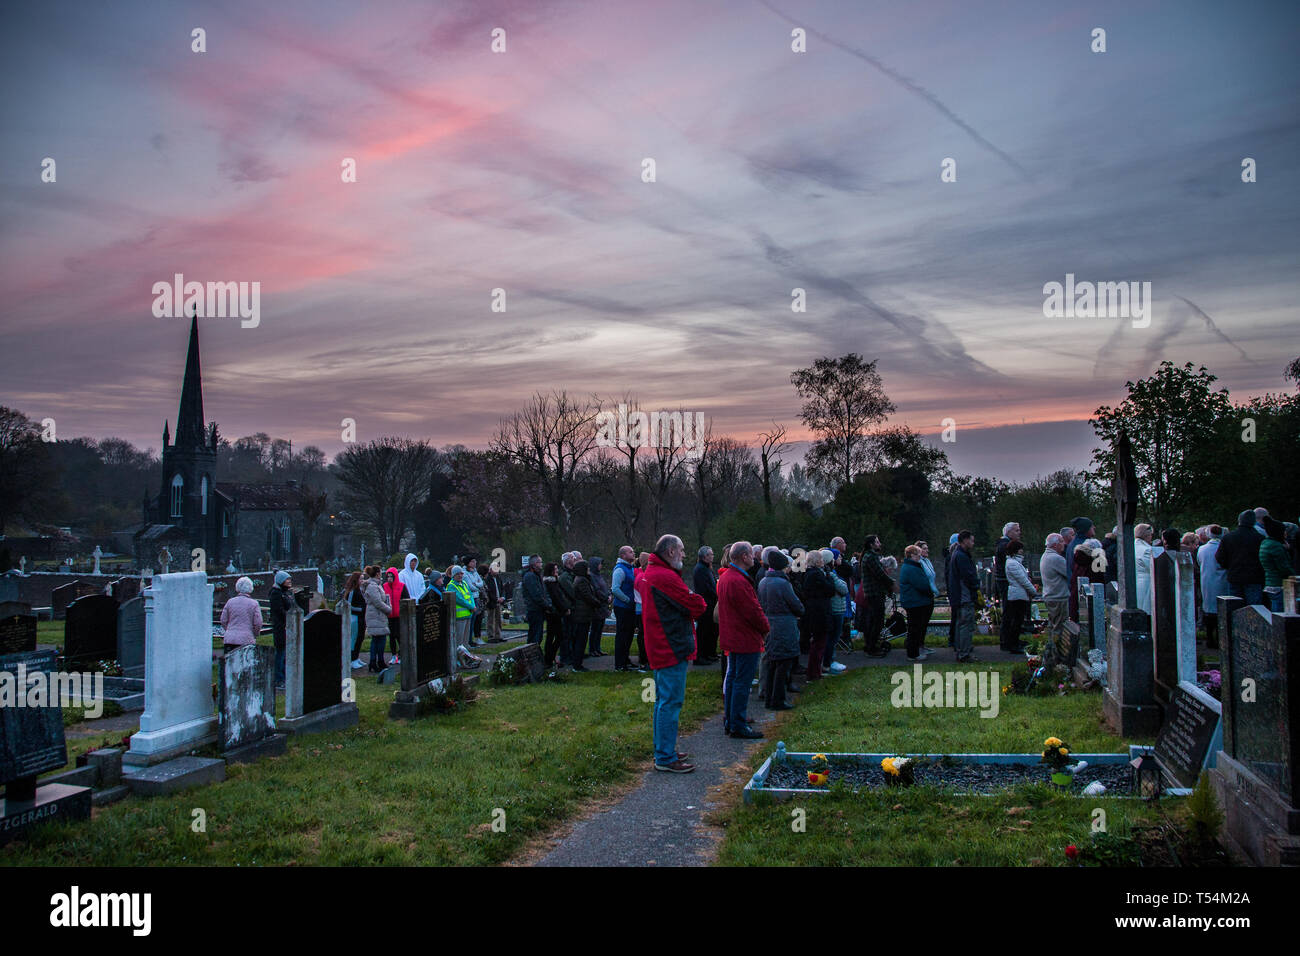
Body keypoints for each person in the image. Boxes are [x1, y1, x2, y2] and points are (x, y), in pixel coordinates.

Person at [637, 535, 707, 773]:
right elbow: (697, 605)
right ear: (670, 552)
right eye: (681, 550)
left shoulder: (651, 573)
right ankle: (665, 757)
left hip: (661, 644)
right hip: (670, 645)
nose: (684, 555)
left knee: (662, 702)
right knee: (670, 702)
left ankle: (663, 749)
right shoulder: (665, 577)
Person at [717, 541, 768, 738]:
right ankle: (737, 723)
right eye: (751, 555)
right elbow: (753, 611)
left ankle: (731, 720)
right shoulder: (738, 580)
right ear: (744, 557)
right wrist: (765, 627)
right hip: (744, 638)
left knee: (732, 679)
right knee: (741, 682)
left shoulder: (726, 577)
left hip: (733, 635)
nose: (754, 559)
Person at [759, 548, 803, 710]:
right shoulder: (783, 584)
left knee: (772, 663)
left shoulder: (763, 582)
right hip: (784, 626)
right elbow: (796, 605)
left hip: (769, 626)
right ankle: (778, 699)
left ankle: (769, 698)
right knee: (783, 664)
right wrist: (800, 611)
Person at [1216, 510, 1265, 607]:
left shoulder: (1228, 537)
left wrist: (1229, 566)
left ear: (1239, 521)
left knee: (1234, 607)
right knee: (1254, 609)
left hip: (1234, 576)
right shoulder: (1259, 538)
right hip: (1254, 578)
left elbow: (1219, 556)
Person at [856, 534, 894, 656]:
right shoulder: (871, 557)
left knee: (873, 620)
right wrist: (891, 583)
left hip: (873, 592)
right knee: (877, 621)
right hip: (874, 592)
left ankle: (870, 645)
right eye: (877, 542)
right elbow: (880, 574)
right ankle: (872, 647)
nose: (879, 544)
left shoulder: (868, 556)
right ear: (871, 545)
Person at [947, 531, 980, 663]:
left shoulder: (957, 554)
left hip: (960, 595)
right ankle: (964, 654)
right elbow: (968, 576)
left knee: (961, 625)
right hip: (964, 596)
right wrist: (976, 585)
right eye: (971, 540)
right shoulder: (961, 556)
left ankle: (961, 651)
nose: (973, 543)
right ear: (964, 540)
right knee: (966, 625)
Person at [801, 549, 834, 679]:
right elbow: (830, 590)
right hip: (820, 611)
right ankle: (814, 672)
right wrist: (829, 577)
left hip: (813, 610)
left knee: (817, 642)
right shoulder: (817, 575)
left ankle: (815, 671)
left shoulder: (807, 574)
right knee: (819, 643)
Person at [898, 545, 935, 661]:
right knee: (914, 628)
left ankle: (914, 651)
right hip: (915, 602)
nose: (920, 557)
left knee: (915, 628)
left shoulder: (910, 566)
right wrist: (930, 592)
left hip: (914, 601)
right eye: (918, 555)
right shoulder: (912, 568)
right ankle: (913, 654)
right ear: (912, 555)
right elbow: (921, 585)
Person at [1002, 540, 1037, 653]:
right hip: (1018, 595)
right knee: (1016, 621)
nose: (1022, 551)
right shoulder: (1012, 563)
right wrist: (1033, 591)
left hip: (1019, 594)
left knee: (1018, 620)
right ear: (1016, 550)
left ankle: (1015, 641)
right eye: (1021, 548)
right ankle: (1013, 644)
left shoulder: (1014, 562)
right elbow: (1023, 581)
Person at [610, 546, 641, 671]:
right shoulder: (620, 570)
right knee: (622, 635)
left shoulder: (630, 568)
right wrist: (628, 600)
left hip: (629, 607)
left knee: (628, 635)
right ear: (623, 555)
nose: (633, 553)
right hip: (623, 607)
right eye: (630, 552)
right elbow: (615, 589)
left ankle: (626, 660)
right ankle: (619, 664)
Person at [1040, 534, 1070, 661]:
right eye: (1062, 542)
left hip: (1051, 596)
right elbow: (1069, 573)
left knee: (1053, 627)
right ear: (1055, 545)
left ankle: (1051, 654)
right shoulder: (1055, 558)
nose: (1064, 544)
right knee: (1059, 628)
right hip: (1058, 597)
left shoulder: (1046, 556)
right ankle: (1056, 657)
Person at [220, 576, 263, 656]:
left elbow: (223, 620)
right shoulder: (254, 604)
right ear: (251, 588)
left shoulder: (230, 602)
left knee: (229, 664)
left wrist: (229, 630)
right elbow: (258, 623)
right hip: (246, 639)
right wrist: (254, 634)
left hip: (230, 639)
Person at [362, 565, 392, 673]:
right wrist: (388, 609)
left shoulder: (375, 585)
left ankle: (376, 661)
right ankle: (376, 661)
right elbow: (377, 602)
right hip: (376, 615)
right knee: (379, 639)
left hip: (377, 615)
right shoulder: (373, 586)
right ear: (378, 573)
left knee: (377, 639)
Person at [693, 547, 719, 666]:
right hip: (705, 605)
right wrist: (717, 594)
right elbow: (706, 589)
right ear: (704, 556)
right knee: (703, 632)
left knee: (710, 631)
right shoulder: (700, 569)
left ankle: (708, 653)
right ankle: (699, 656)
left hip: (710, 604)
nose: (713, 556)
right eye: (710, 554)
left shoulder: (706, 568)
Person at [268, 570, 294, 686]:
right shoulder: (276, 593)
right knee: (280, 652)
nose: (289, 581)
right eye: (287, 579)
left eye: (289, 579)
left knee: (284, 653)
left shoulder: (285, 593)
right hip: (280, 627)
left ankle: (283, 675)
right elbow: (279, 610)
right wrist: (289, 617)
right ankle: (279, 678)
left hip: (286, 626)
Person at [1260, 516, 1292, 611]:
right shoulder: (1276, 546)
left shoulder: (1266, 543)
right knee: (1279, 611)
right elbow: (1283, 567)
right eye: (1284, 531)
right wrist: (1294, 575)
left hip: (1270, 582)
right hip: (1278, 583)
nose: (1285, 533)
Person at [542, 561, 570, 667]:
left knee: (552, 636)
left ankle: (550, 658)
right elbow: (556, 598)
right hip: (554, 613)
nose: (557, 570)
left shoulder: (553, 582)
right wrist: (565, 609)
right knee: (557, 636)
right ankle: (549, 658)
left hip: (554, 612)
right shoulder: (550, 583)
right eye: (555, 569)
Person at [825, 550, 849, 672]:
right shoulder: (831, 574)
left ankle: (829, 660)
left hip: (835, 607)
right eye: (837, 557)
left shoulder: (831, 574)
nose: (839, 559)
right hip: (836, 608)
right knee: (833, 637)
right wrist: (843, 583)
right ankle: (829, 661)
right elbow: (844, 589)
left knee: (832, 637)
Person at [520, 554, 551, 645]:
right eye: (540, 562)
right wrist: (547, 605)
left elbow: (543, 592)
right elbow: (536, 594)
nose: (541, 564)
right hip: (534, 609)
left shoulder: (536, 575)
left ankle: (534, 655)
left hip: (539, 609)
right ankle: (531, 656)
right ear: (535, 563)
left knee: (538, 635)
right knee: (535, 636)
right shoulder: (530, 576)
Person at [586, 556, 611, 656]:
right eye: (599, 564)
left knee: (600, 628)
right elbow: (597, 590)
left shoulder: (599, 575)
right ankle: (593, 649)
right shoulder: (592, 576)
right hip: (597, 606)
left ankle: (598, 648)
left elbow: (604, 587)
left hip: (603, 606)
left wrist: (609, 594)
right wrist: (606, 597)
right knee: (595, 629)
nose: (601, 566)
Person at [382, 567, 406, 663]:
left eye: (391, 576)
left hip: (399, 615)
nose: (389, 578)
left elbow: (406, 599)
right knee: (391, 636)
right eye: (388, 576)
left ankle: (400, 655)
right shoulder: (384, 586)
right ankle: (393, 655)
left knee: (400, 636)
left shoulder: (401, 586)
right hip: (389, 615)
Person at [343, 571, 366, 668]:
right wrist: (360, 609)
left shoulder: (360, 590)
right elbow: (348, 605)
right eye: (361, 579)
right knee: (354, 639)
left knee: (360, 638)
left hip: (361, 618)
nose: (362, 580)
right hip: (355, 618)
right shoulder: (352, 591)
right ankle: (352, 659)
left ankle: (356, 657)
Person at [447, 565, 475, 648]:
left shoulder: (464, 583)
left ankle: (466, 657)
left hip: (468, 614)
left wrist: (473, 605)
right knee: (459, 640)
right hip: (460, 616)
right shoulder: (451, 585)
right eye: (458, 574)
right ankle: (459, 659)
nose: (460, 576)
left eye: (461, 574)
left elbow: (470, 595)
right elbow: (459, 599)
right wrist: (471, 606)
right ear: (453, 575)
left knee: (465, 640)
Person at [994, 521, 1020, 607]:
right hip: (1006, 580)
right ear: (1009, 532)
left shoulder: (1001, 544)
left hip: (1003, 579)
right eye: (1017, 531)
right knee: (1009, 607)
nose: (1019, 533)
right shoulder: (1005, 546)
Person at [1133, 524, 1155, 615]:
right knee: (1146, 610)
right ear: (1146, 535)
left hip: (1136, 581)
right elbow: (1152, 567)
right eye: (1150, 535)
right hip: (1146, 583)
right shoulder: (1146, 550)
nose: (1151, 537)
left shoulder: (1132, 546)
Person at [463, 556, 485, 642]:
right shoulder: (464, 573)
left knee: (475, 619)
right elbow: (470, 587)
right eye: (472, 561)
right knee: (471, 621)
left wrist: (476, 584)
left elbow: (481, 583)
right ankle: (468, 640)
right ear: (468, 563)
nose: (475, 563)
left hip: (476, 597)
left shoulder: (475, 572)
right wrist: (477, 586)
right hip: (471, 597)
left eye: (475, 561)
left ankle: (471, 640)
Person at [482, 564, 505, 642]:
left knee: (498, 619)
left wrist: (502, 597)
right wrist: (496, 599)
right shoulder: (487, 579)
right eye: (495, 569)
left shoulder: (498, 578)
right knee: (490, 619)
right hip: (491, 602)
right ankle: (491, 636)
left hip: (499, 601)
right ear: (490, 570)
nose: (497, 570)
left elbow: (502, 588)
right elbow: (488, 592)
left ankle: (498, 635)